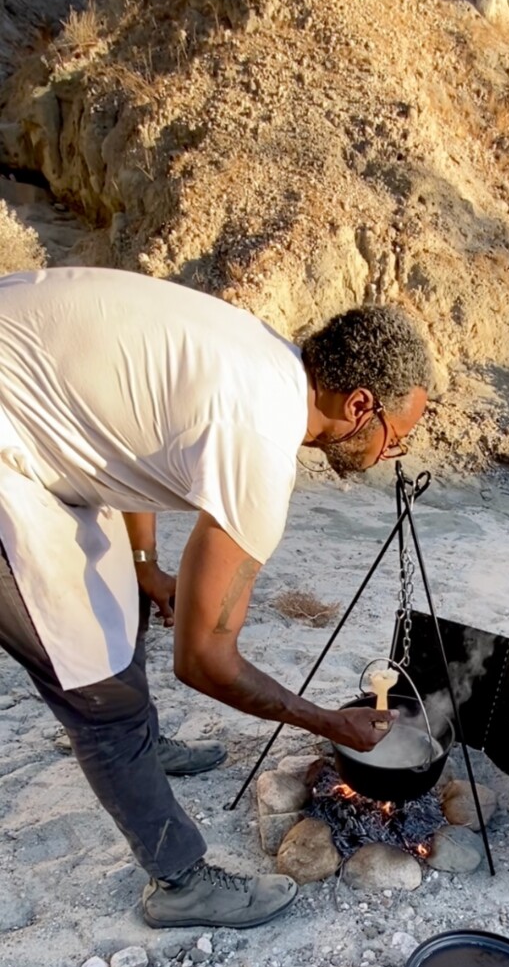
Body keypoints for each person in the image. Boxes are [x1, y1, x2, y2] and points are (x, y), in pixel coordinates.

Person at [0, 267, 431, 928]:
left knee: (117, 596)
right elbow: (200, 660)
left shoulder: (253, 356)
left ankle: (144, 743)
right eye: (395, 439)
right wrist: (327, 722)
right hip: (10, 442)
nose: (389, 454)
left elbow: (125, 448)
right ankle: (180, 882)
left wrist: (146, 565)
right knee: (100, 697)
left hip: (31, 403)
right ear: (361, 406)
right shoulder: (259, 438)